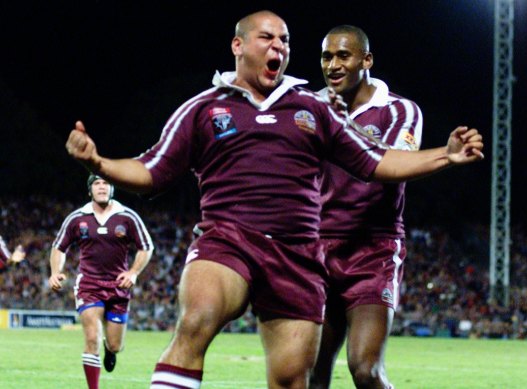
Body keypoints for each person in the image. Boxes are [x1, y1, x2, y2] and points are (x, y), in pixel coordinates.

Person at [64, 10, 483, 389]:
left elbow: (377, 163)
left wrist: (446, 155)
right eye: (267, 37)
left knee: (303, 378)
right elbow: (150, 170)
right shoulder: (203, 109)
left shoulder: (315, 110)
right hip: (230, 240)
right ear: (238, 45)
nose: (279, 47)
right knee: (197, 321)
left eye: (285, 40)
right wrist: (98, 162)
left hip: (305, 254)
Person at [310, 25, 426, 389]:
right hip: (316, 248)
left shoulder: (398, 110)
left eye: (343, 55)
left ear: (366, 60)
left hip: (372, 249)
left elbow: (397, 163)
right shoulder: (311, 109)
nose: (333, 65)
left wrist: (337, 123)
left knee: (365, 369)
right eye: (327, 57)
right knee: (312, 370)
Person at [49, 174, 154, 389]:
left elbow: (147, 247)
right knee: (91, 338)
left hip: (118, 286)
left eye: (106, 183)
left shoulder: (127, 217)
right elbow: (59, 247)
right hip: (89, 284)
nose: (101, 187)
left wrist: (133, 272)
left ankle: (110, 349)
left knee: (116, 345)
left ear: (112, 189)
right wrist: (55, 272)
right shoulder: (77, 218)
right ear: (90, 190)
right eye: (96, 184)